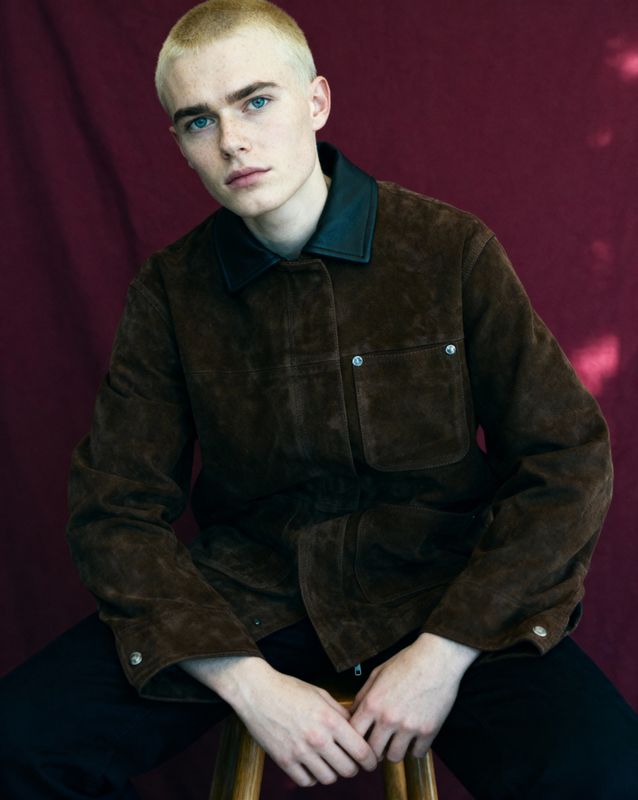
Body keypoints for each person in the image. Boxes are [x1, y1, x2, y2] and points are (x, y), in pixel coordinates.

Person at [1, 1, 637, 797]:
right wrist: (245, 682)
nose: (232, 139)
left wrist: (445, 653)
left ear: (316, 102)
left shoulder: (448, 250)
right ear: (180, 145)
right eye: (199, 121)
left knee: (610, 773)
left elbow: (567, 458)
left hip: (441, 589)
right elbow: (112, 509)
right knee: (14, 746)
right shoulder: (170, 292)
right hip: (251, 602)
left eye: (255, 101)